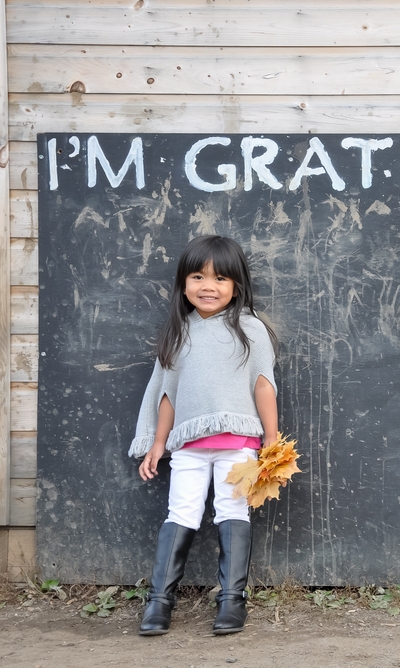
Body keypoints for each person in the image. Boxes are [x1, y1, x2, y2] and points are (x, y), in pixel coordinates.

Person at [128, 235, 278, 636]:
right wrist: (158, 444)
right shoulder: (180, 332)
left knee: (232, 513)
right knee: (181, 514)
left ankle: (232, 601)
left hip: (239, 447)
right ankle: (159, 603)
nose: (208, 286)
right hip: (189, 449)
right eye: (197, 276)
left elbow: (264, 385)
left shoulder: (250, 329)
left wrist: (272, 440)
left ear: (236, 286)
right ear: (184, 283)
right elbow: (168, 396)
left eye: (220, 278)